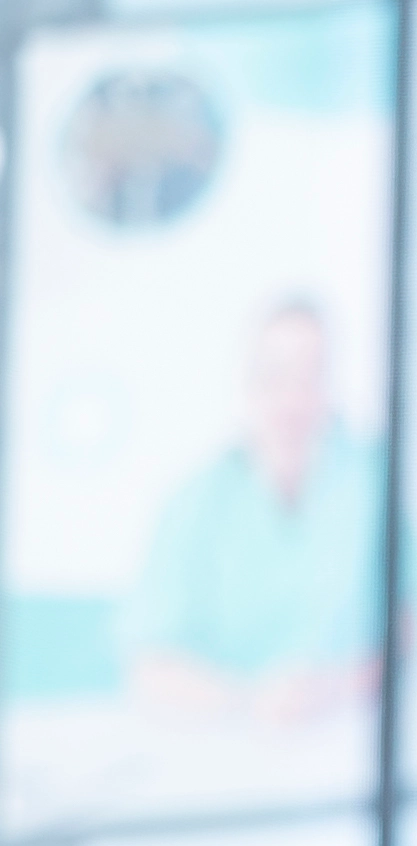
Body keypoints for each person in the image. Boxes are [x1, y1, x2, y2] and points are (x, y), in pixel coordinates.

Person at [124, 293, 390, 725]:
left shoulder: (373, 480)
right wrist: (250, 702)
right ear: (249, 384)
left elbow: (412, 628)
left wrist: (333, 689)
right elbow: (150, 667)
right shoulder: (197, 502)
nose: (293, 397)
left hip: (351, 728)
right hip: (226, 736)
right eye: (276, 375)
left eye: (311, 375)